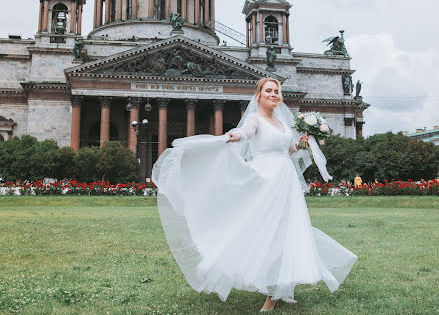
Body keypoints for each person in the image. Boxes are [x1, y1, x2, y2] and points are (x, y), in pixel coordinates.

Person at [152, 78, 357, 312]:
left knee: (286, 230)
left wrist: (299, 145)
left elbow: (285, 150)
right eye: (268, 91)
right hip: (264, 179)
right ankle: (271, 291)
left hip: (285, 180)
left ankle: (280, 288)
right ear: (258, 95)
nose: (273, 94)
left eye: (276, 91)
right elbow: (247, 133)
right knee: (266, 231)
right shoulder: (254, 119)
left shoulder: (281, 123)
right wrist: (235, 136)